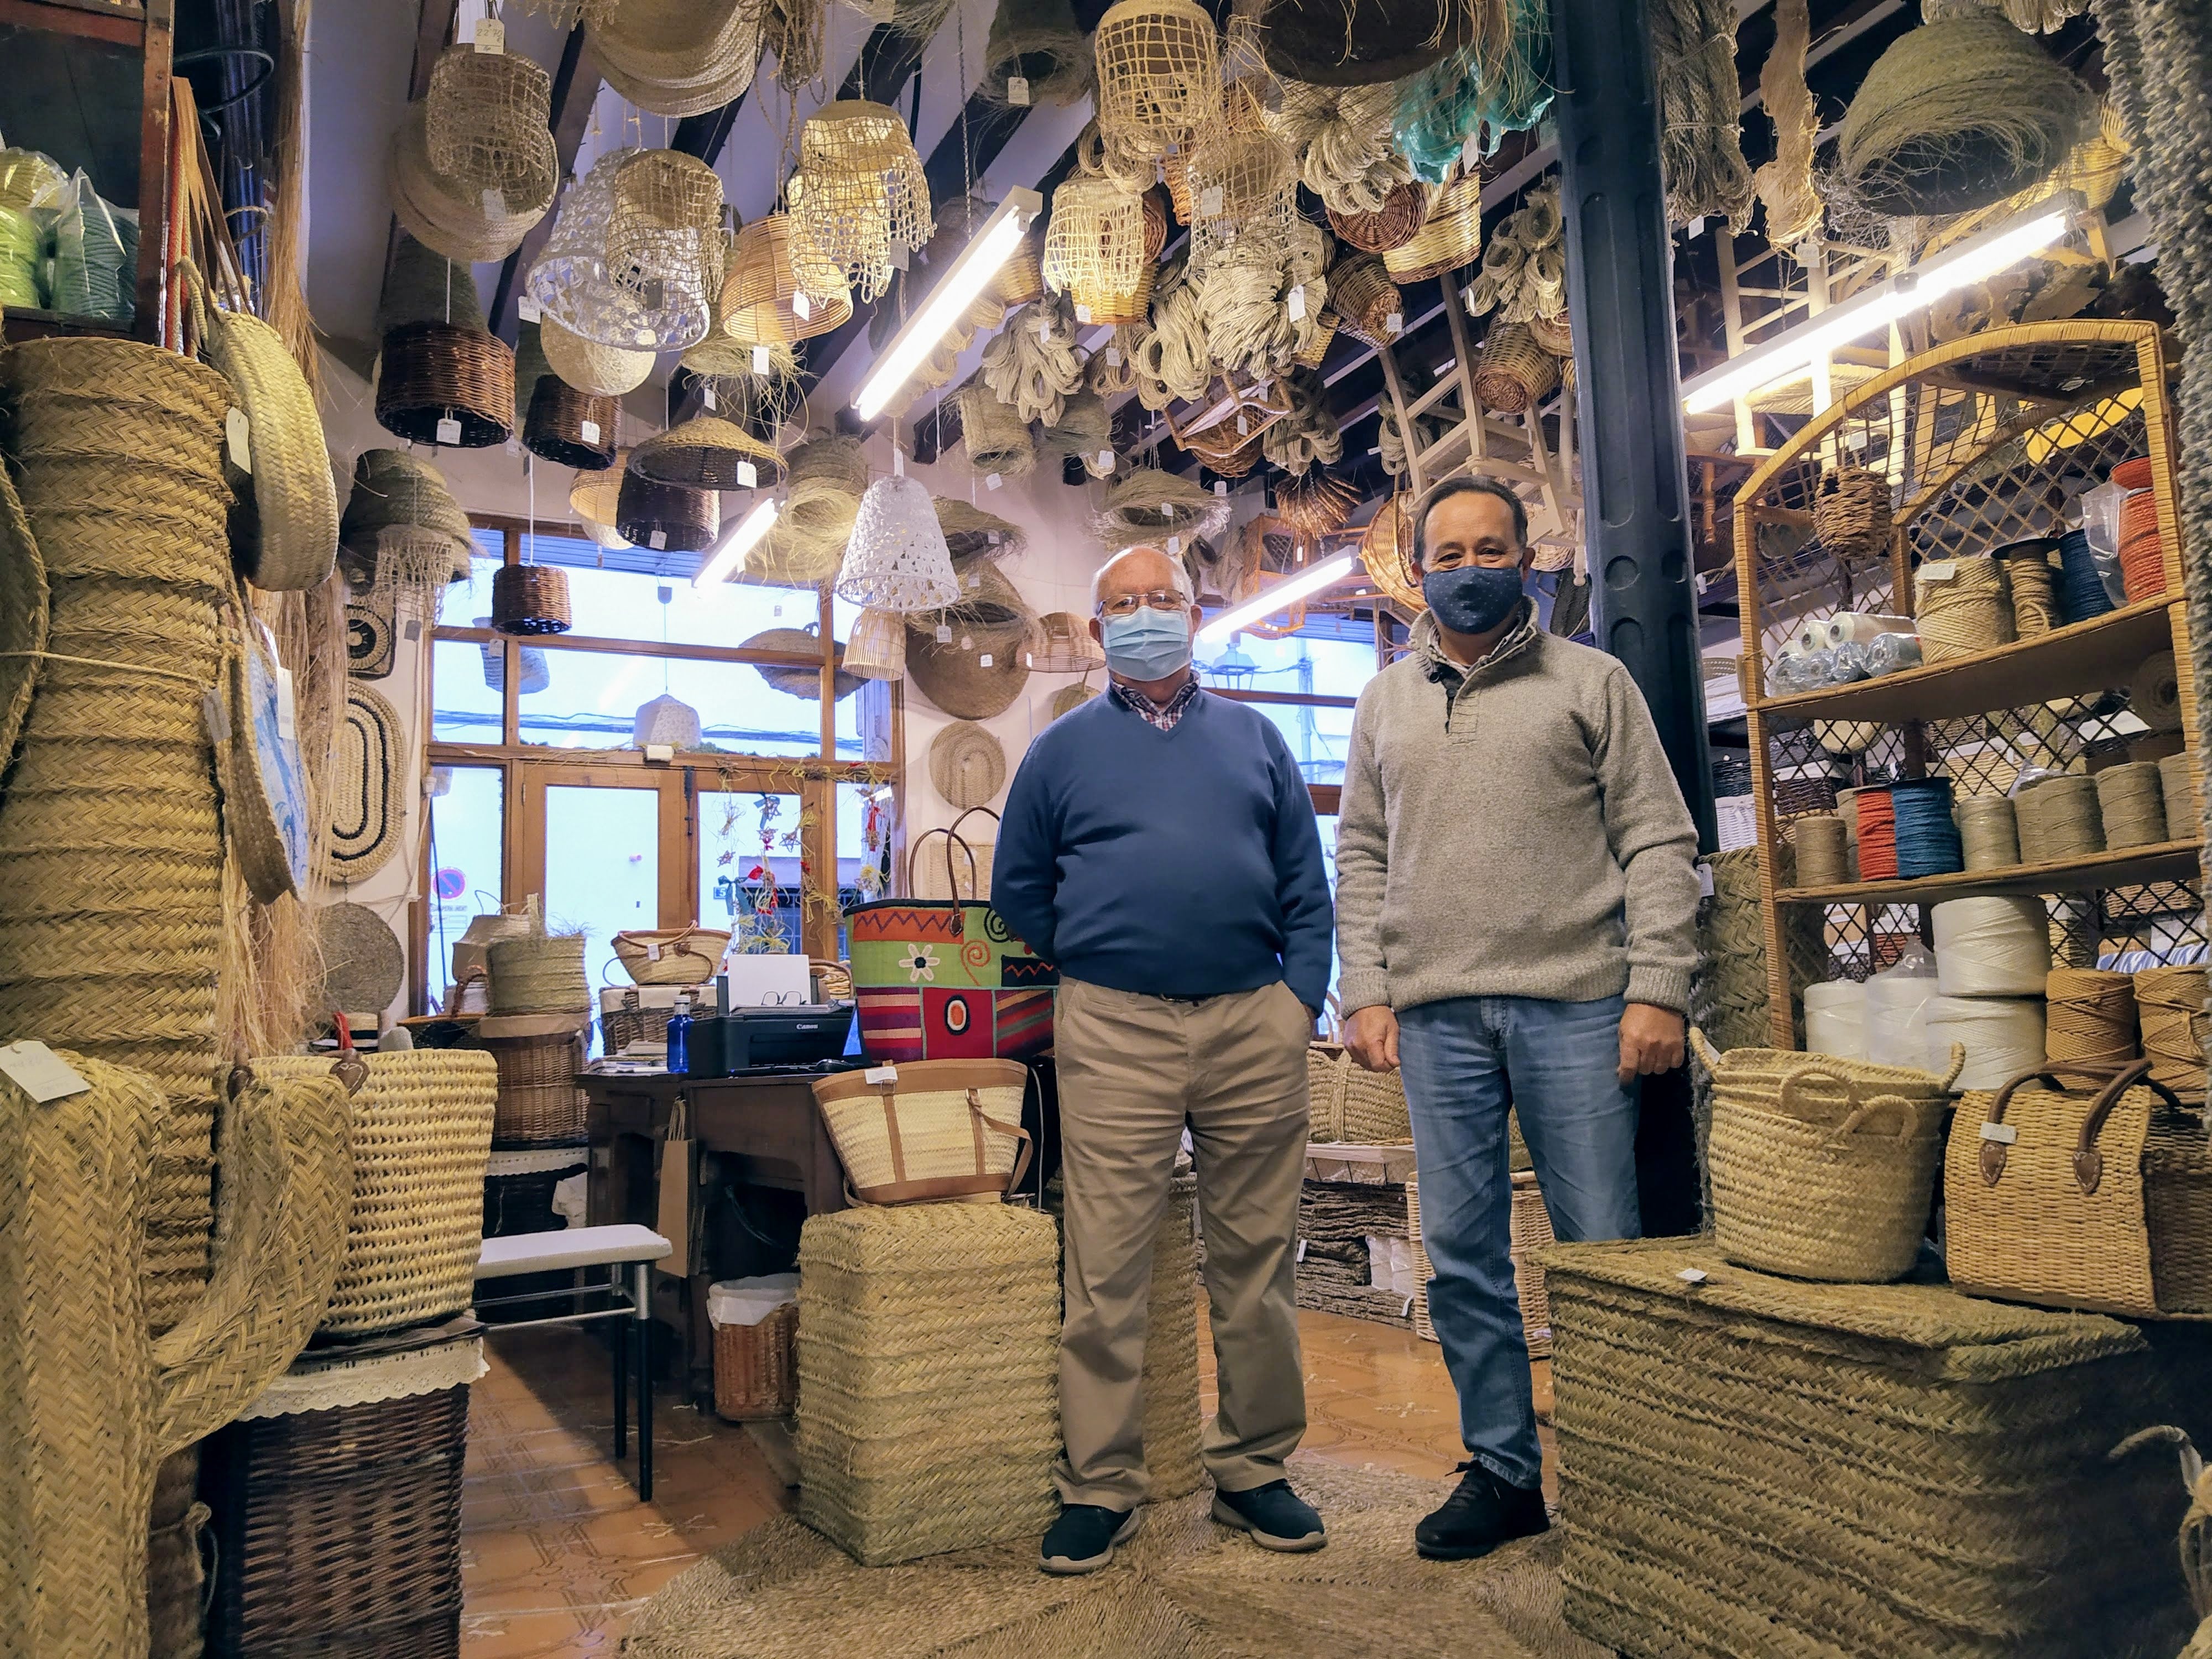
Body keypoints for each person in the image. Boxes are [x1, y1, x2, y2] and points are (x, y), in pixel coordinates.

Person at [1334, 476, 1700, 1562]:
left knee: (1598, 1251)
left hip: (1579, 1008)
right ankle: (1502, 1471)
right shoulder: (1379, 704)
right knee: (1459, 1258)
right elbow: (1357, 855)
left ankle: (1619, 1466)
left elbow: (1657, 841)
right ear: (1416, 565)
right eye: (1447, 551)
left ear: (1524, 558)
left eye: (1490, 547)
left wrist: (1657, 987)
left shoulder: (1592, 684)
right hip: (1435, 1018)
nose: (1469, 566)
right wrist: (1363, 986)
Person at [993, 544, 1335, 1576]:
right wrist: (1100, 956)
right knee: (1106, 1264)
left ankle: (1255, 1470)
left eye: (1162, 600)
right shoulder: (1058, 752)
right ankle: (1100, 1484)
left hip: (1252, 1023)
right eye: (1122, 605)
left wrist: (1295, 1003)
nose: (1144, 616)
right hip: (1114, 1026)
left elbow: (1304, 889)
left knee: (1256, 1259)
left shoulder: (1258, 738)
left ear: (1195, 615)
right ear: (1098, 636)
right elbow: (1020, 890)